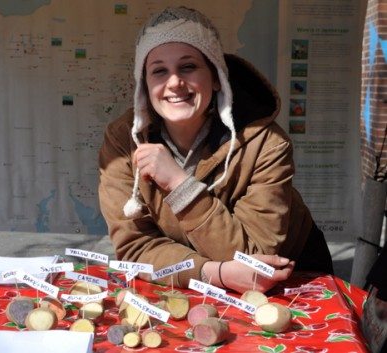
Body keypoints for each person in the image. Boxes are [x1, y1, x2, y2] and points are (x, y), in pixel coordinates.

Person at [98, 6, 333, 294]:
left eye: (188, 66)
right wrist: (212, 273)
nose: (174, 82)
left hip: (286, 279)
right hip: (195, 278)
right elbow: (135, 247)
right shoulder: (123, 142)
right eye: (159, 71)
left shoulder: (266, 143)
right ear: (145, 86)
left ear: (216, 75)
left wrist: (178, 184)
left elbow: (255, 256)